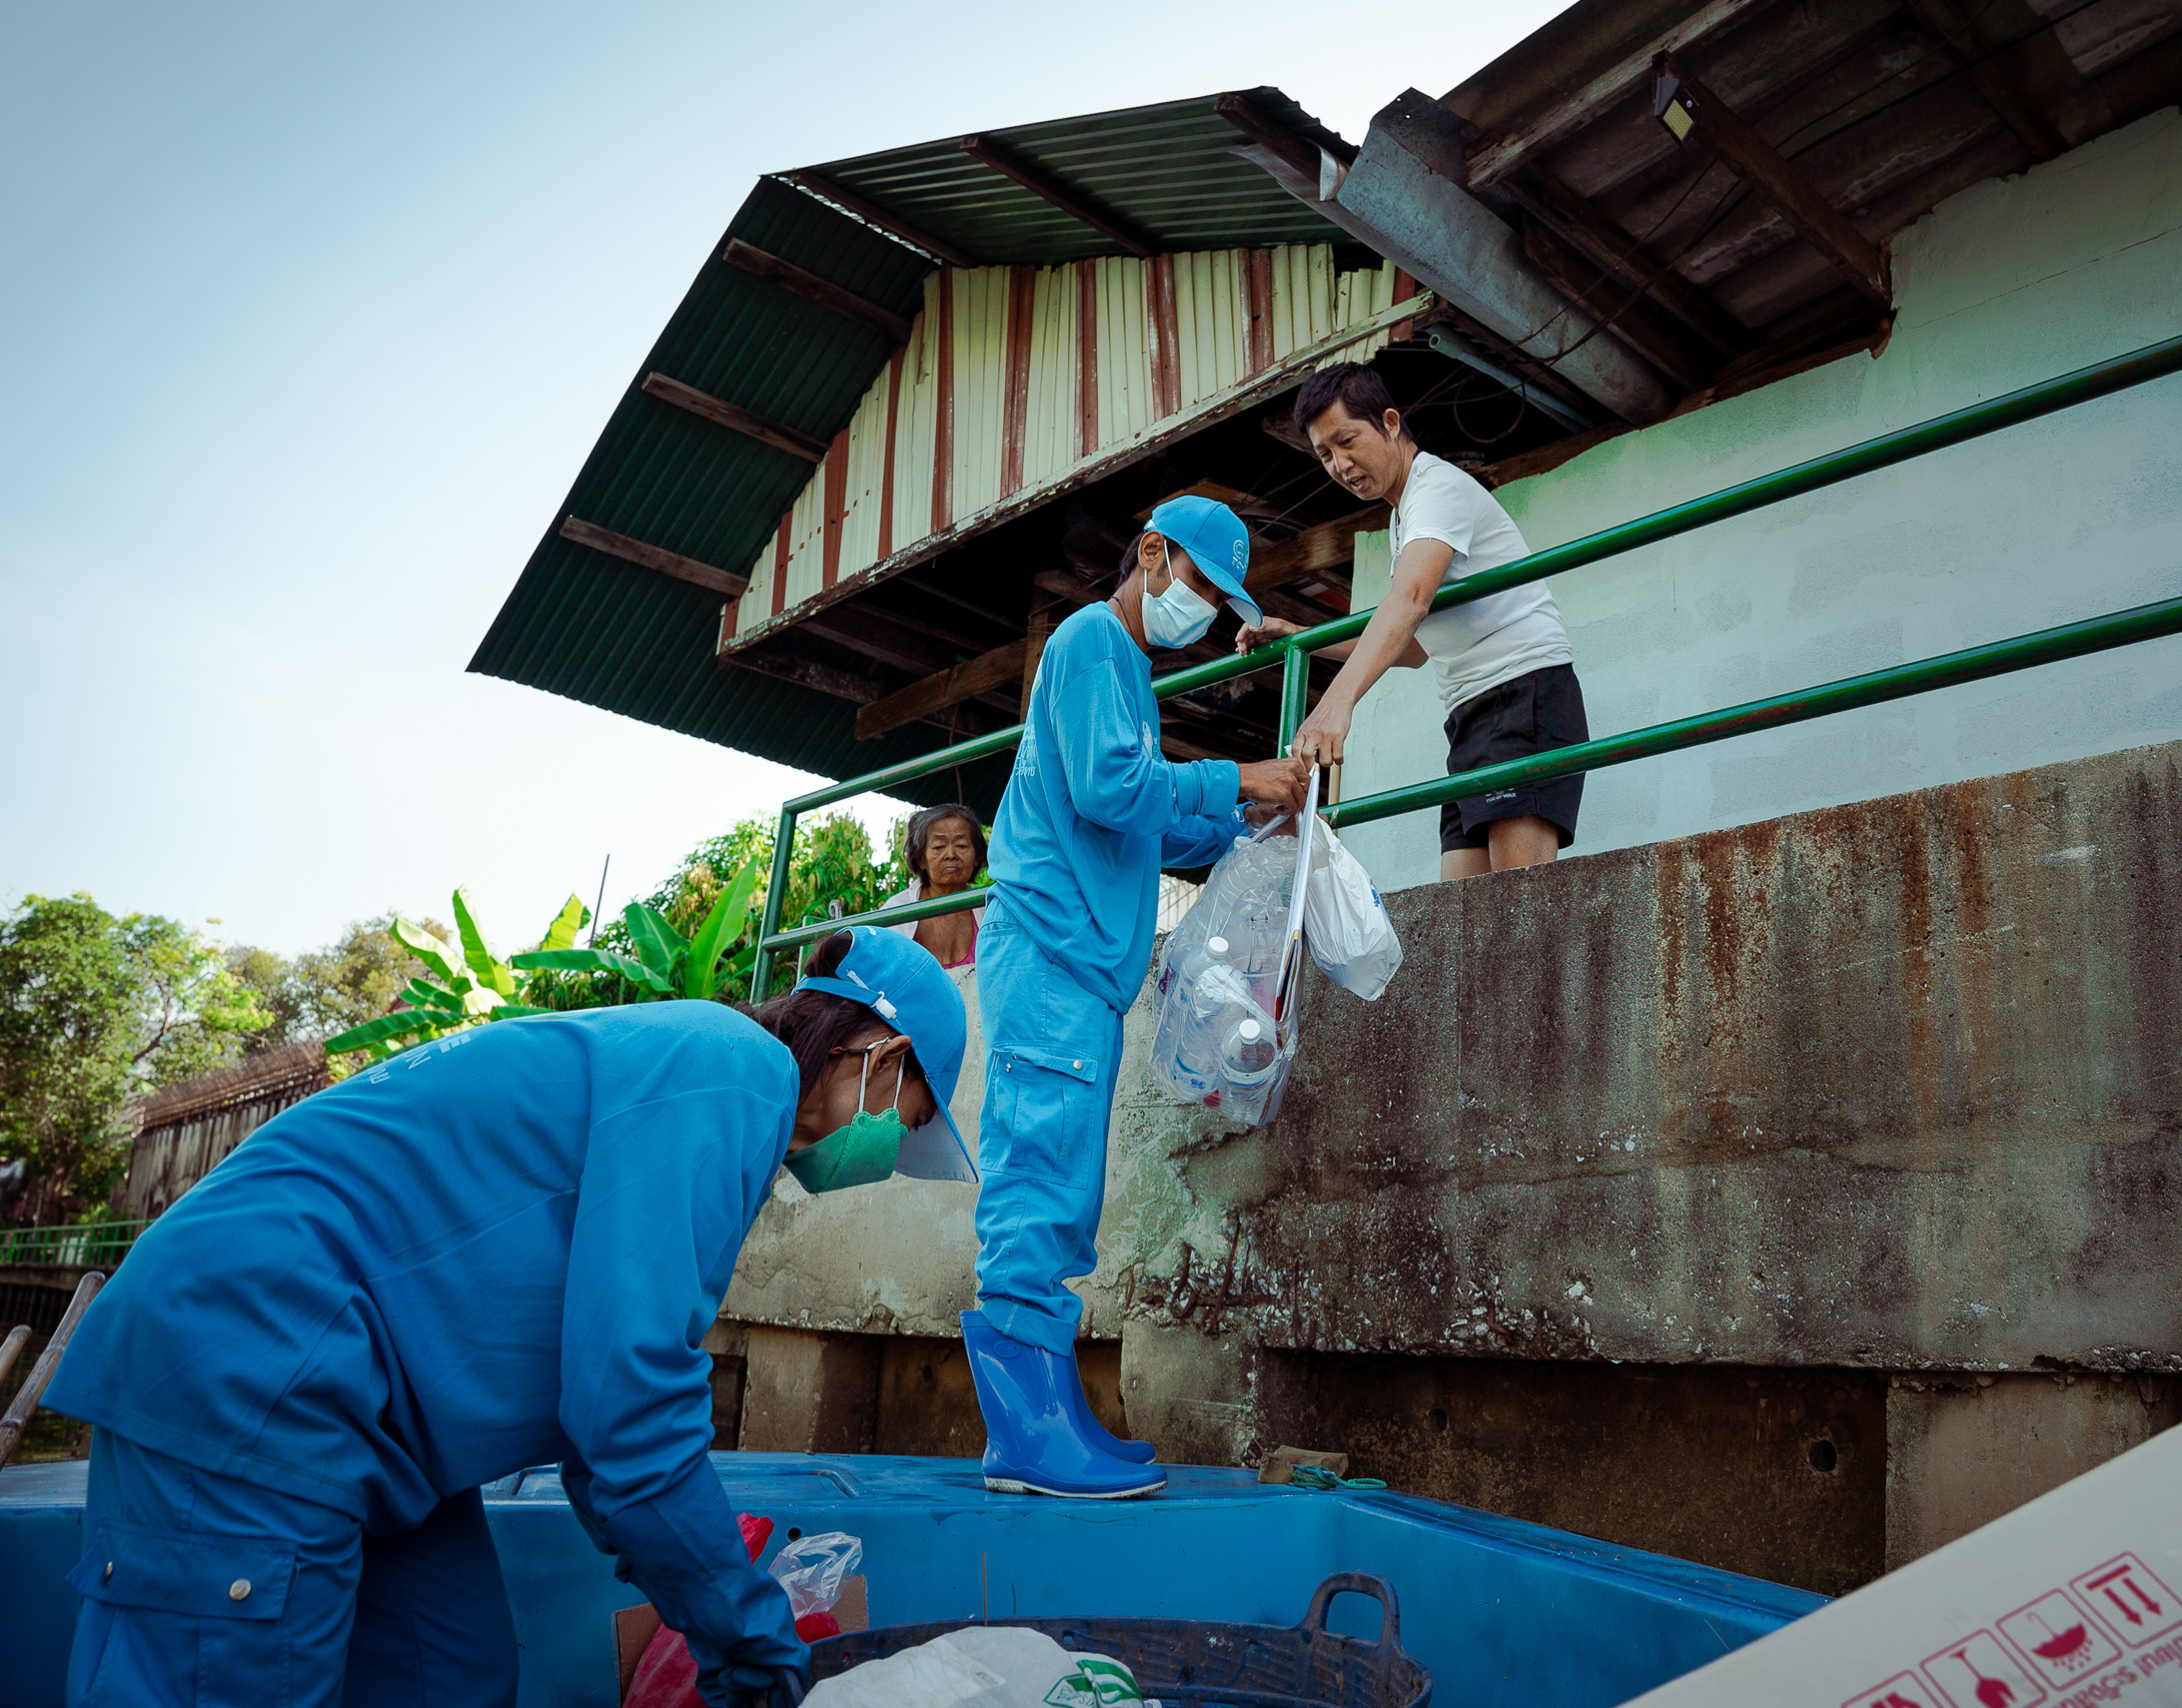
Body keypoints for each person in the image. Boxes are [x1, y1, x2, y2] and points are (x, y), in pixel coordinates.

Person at [45, 926, 971, 1708]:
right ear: (885, 1061)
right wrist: (758, 1643)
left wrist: (715, 1611)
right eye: (911, 1123)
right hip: (252, 1360)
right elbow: (633, 1419)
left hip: (387, 1435)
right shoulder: (729, 1074)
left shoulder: (708, 1078)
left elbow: (605, 1441)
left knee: (452, 1669)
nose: (891, 1159)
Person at [962, 494, 1307, 1501]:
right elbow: (1117, 788)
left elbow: (1136, 827)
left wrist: (1246, 825)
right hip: (1053, 958)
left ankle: (1039, 1419)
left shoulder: (1118, 672)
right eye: (1202, 585)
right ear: (1151, 555)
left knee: (1062, 1186)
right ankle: (1026, 1435)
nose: (1204, 609)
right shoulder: (1090, 645)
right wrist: (1238, 774)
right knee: (1039, 1180)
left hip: (1076, 970)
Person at [1238, 362, 1589, 880]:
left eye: (1348, 440)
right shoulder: (1403, 518)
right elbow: (1414, 646)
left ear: (1390, 422)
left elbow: (1413, 598)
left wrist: (1337, 703)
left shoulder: (1436, 488)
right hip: (1469, 718)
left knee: (1520, 911)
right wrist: (1304, 638)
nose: (1340, 463)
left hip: (1524, 696)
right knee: (1462, 913)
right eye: (1325, 454)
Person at [879, 803, 989, 975]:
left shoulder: (989, 909)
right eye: (939, 847)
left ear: (977, 856)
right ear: (921, 859)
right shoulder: (898, 910)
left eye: (961, 846)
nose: (951, 854)